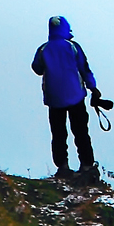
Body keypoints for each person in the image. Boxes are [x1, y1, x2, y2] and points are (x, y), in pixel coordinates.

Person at [31, 16, 103, 182]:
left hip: (54, 98)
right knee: (80, 131)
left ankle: (62, 167)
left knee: (58, 133)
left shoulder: (43, 49)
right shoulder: (73, 47)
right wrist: (93, 88)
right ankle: (86, 165)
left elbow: (37, 68)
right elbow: (84, 68)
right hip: (75, 95)